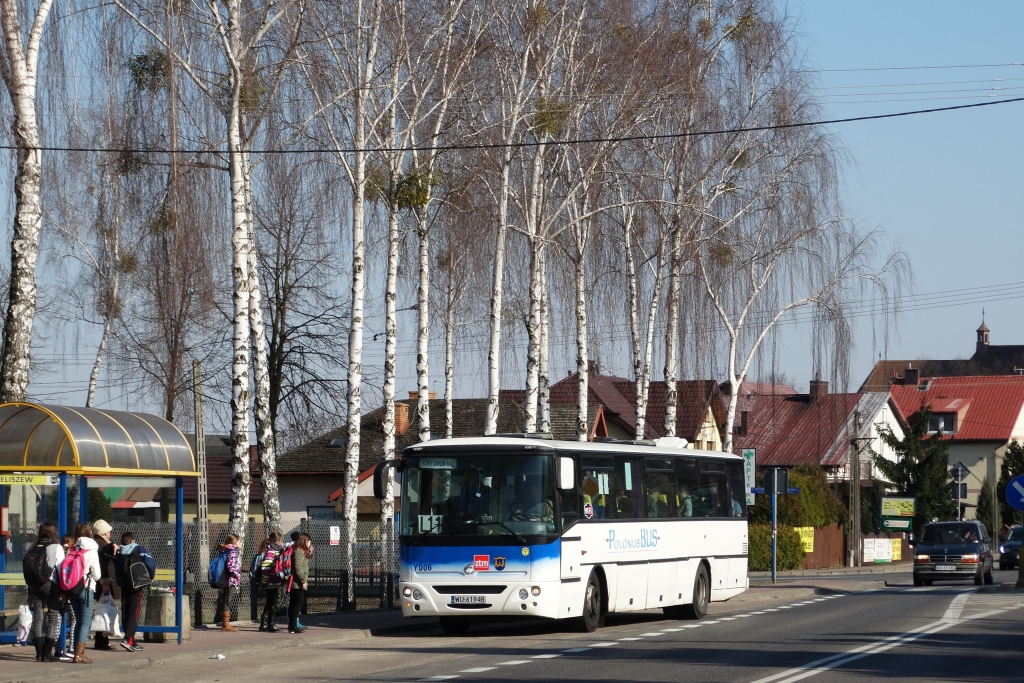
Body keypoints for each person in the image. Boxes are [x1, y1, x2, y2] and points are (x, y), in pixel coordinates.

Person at [23, 522, 64, 662]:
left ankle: (39, 653)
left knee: (38, 618)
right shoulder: (56, 547)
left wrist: (29, 592)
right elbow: (61, 568)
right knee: (53, 617)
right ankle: (47, 653)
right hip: (50, 584)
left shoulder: (33, 547)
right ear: (53, 532)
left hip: (34, 586)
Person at [112, 532, 156, 652]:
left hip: (124, 585)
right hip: (137, 585)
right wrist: (150, 576)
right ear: (133, 540)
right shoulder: (139, 549)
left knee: (125, 611)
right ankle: (127, 639)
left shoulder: (118, 552)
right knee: (134, 612)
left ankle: (132, 641)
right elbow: (150, 564)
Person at [69, 523, 102, 664]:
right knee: (85, 622)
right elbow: (98, 575)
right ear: (90, 533)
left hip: (71, 588)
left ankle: (75, 651)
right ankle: (79, 654)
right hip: (86, 588)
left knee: (78, 620)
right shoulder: (92, 551)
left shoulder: (72, 548)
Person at [91, 519, 118, 651]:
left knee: (101, 610)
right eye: (108, 531)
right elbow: (103, 566)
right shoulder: (103, 545)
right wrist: (106, 584)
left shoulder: (95, 543)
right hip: (102, 584)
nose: (109, 534)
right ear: (103, 532)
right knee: (103, 612)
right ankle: (102, 641)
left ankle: (102, 640)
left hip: (96, 583)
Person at [257, 531, 285, 633]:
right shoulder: (271, 551)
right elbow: (265, 567)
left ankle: (266, 623)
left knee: (271, 602)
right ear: (278, 540)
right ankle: (269, 623)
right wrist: (265, 581)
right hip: (271, 582)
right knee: (271, 602)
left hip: (274, 581)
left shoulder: (274, 550)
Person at [215, 534, 241, 632]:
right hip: (231, 579)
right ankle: (226, 624)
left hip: (224, 579)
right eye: (239, 541)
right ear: (235, 542)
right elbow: (231, 566)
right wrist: (237, 575)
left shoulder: (224, 550)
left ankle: (226, 623)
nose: (239, 543)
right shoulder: (232, 551)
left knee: (226, 599)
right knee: (227, 600)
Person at [287, 533, 312, 634]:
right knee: (296, 603)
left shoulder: (301, 551)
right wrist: (303, 581)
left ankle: (292, 625)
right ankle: (293, 625)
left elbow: (303, 564)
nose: (310, 543)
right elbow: (298, 568)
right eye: (309, 541)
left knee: (296, 603)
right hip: (297, 583)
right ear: (304, 541)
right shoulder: (298, 551)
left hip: (299, 582)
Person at [57, 535, 77, 662]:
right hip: (68, 591)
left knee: (57, 620)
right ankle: (72, 648)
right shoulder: (72, 554)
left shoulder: (58, 553)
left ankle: (57, 649)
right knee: (74, 618)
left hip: (57, 592)